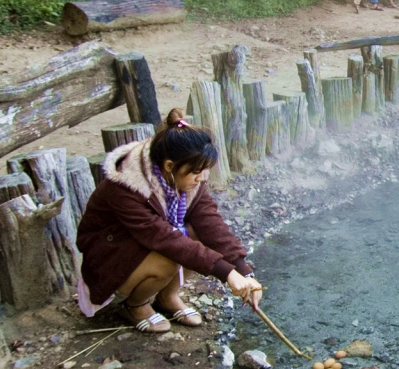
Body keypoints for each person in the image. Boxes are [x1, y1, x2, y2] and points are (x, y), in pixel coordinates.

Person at [76, 109, 263, 332]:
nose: (202, 178)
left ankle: (167, 297)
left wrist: (244, 270)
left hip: (142, 243)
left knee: (198, 234)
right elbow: (163, 238)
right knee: (169, 258)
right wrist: (226, 273)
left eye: (205, 171)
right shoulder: (126, 187)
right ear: (169, 166)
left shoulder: (185, 178)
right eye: (196, 172)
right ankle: (134, 306)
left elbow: (211, 223)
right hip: (110, 257)